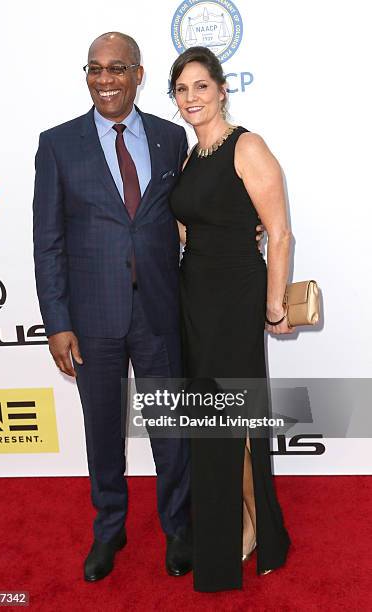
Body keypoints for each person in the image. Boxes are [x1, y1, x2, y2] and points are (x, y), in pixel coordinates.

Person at [33, 32, 264, 583]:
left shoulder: (168, 138)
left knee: (171, 430)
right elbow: (48, 243)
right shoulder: (58, 144)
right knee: (102, 431)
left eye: (117, 68)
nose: (105, 79)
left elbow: (189, 209)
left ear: (138, 74)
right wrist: (58, 323)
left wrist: (240, 230)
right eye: (94, 69)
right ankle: (109, 529)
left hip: (162, 313)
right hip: (92, 321)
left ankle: (178, 528)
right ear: (87, 75)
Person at [169, 46, 292, 592]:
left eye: (201, 86)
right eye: (181, 90)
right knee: (211, 423)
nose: (192, 98)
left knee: (233, 422)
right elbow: (193, 222)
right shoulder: (192, 156)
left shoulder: (249, 146)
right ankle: (241, 523)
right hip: (194, 298)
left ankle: (255, 525)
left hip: (237, 300)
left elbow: (280, 231)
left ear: (222, 89)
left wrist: (273, 304)